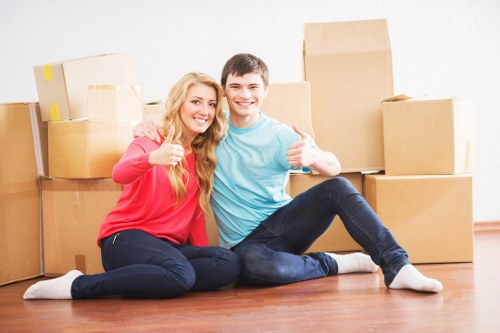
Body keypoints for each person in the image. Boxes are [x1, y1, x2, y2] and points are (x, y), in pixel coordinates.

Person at [134, 53, 443, 293]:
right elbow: (175, 122)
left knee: (336, 186)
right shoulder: (210, 127)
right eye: (236, 87)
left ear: (265, 91)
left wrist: (314, 156)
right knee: (251, 267)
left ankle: (398, 266)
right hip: (246, 245)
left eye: (253, 86)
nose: (245, 94)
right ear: (225, 91)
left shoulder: (279, 134)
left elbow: (335, 168)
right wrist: (142, 126)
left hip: (285, 225)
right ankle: (333, 262)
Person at [23, 72, 241, 300]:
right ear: (179, 104)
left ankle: (163, 278)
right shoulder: (150, 140)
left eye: (211, 104)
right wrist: (152, 158)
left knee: (228, 262)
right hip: (125, 240)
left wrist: (203, 254)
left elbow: (193, 217)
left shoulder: (202, 155)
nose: (204, 111)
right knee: (181, 274)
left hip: (168, 248)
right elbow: (119, 173)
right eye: (196, 101)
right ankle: (78, 285)